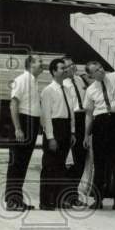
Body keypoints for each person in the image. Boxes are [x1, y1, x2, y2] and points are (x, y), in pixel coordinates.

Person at [83, 61, 115, 211]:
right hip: (100, 125)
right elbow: (89, 115)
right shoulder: (90, 91)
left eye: (101, 68)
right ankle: (98, 200)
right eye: (97, 70)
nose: (101, 71)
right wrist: (86, 135)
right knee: (100, 164)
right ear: (91, 75)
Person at [5, 55, 44, 210]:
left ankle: (17, 199)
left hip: (32, 122)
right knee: (16, 163)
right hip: (23, 121)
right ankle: (12, 201)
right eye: (39, 61)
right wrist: (18, 128)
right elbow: (13, 104)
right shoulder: (21, 80)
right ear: (30, 65)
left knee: (23, 164)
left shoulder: (34, 81)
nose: (42, 63)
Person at [39, 58, 75, 210]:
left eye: (66, 68)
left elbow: (71, 112)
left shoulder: (67, 89)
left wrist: (72, 132)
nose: (65, 70)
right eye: (62, 68)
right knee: (49, 166)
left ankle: (58, 200)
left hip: (66, 128)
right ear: (54, 71)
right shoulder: (48, 90)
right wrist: (50, 137)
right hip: (54, 128)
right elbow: (46, 116)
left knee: (60, 166)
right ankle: (46, 201)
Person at [61, 57, 89, 205]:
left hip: (83, 119)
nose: (73, 67)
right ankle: (64, 195)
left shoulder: (80, 80)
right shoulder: (63, 85)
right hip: (72, 120)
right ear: (64, 70)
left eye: (73, 64)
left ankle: (73, 195)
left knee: (81, 159)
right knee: (68, 160)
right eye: (69, 66)